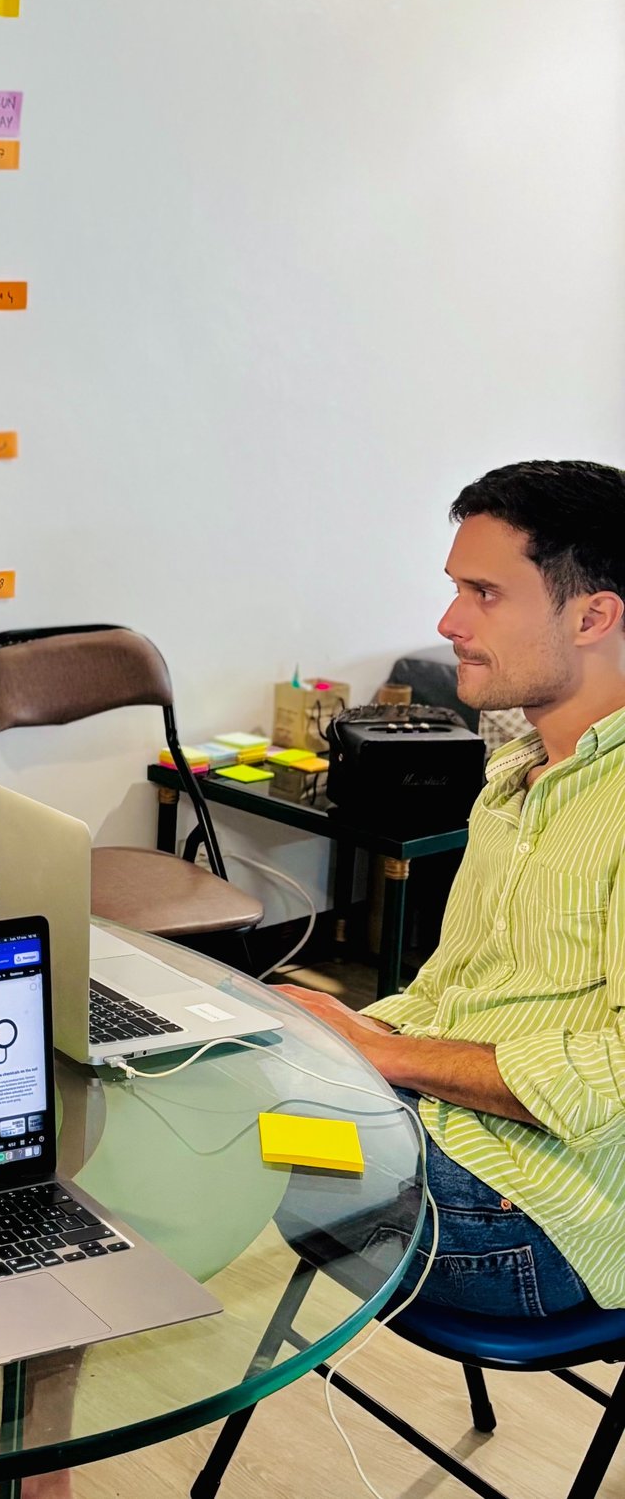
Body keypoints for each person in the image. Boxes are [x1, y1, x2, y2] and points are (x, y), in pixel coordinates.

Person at [279, 459, 625, 1316]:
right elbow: (456, 990)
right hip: (439, 1136)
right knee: (193, 1078)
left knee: (184, 1142)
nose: (448, 621)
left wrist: (381, 1052)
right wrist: (348, 1030)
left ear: (594, 615)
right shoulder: (518, 776)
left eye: (484, 593)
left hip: (529, 1221)